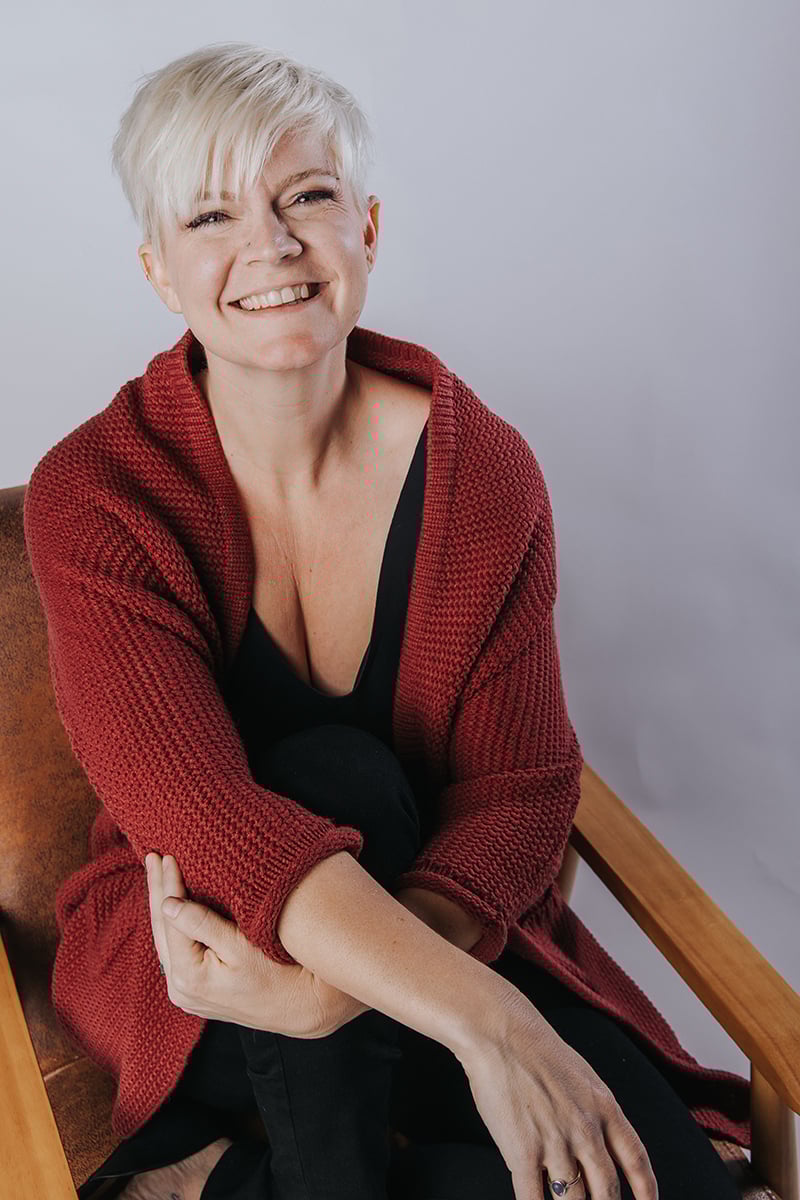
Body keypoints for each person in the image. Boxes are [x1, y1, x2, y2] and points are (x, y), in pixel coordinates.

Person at [23, 42, 751, 1200]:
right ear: (159, 270)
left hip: (433, 915)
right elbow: (200, 813)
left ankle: (206, 1182)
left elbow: (519, 788)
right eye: (211, 215)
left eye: (306, 196)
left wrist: (336, 990)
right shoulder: (99, 493)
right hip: (202, 965)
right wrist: (492, 1027)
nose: (270, 245)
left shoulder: (484, 472)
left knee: (671, 1186)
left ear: (365, 227)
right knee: (333, 772)